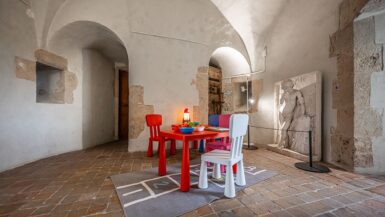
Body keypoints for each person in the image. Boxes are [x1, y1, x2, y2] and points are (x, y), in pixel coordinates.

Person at [278, 79, 305, 148]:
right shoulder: (285, 93)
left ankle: (280, 143)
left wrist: (303, 113)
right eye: (284, 87)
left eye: (286, 87)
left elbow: (302, 103)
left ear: (290, 85)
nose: (285, 88)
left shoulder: (296, 92)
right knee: (283, 130)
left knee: (283, 129)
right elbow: (281, 102)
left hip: (289, 114)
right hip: (281, 113)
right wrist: (283, 95)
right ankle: (286, 143)